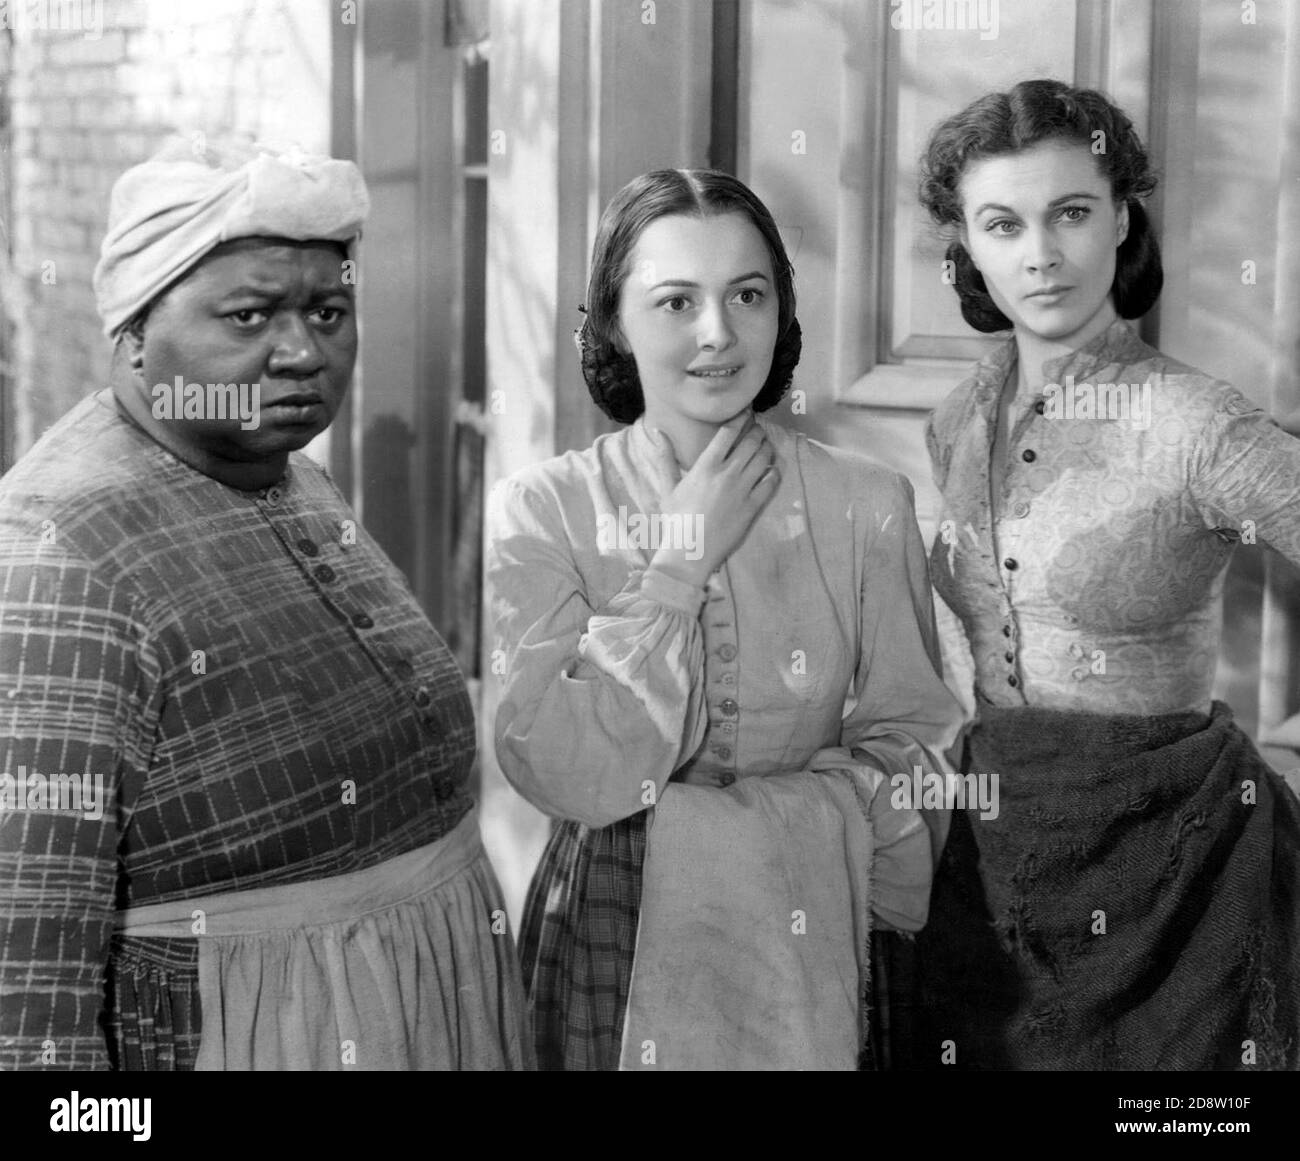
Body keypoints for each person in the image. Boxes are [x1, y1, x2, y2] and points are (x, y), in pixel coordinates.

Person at [0, 137, 532, 1070]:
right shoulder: (60, 550)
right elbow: (28, 978)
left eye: (329, 311)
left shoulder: (291, 479)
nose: (301, 351)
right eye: (249, 315)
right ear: (132, 333)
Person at [486, 168, 963, 1070]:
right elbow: (553, 764)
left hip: (817, 920)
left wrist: (818, 823)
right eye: (674, 301)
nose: (717, 333)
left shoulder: (869, 501)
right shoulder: (543, 507)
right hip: (614, 926)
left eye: (748, 294)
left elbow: (920, 742)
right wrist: (678, 567)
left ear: (782, 312)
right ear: (615, 322)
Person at [915, 78, 1300, 1070]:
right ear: (967, 244)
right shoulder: (953, 421)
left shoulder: (1196, 426)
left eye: (1071, 213)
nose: (1039, 254)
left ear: (1121, 219)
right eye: (1002, 224)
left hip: (1177, 886)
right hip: (991, 869)